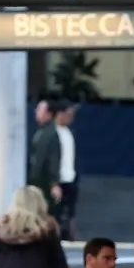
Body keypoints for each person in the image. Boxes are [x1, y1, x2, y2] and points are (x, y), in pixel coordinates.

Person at [28, 96, 64, 211]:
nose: (36, 111)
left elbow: (54, 158)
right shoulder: (40, 131)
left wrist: (54, 183)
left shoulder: (51, 134)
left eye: (40, 109)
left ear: (48, 113)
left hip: (43, 182)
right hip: (35, 181)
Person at [53, 101, 80, 239]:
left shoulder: (69, 132)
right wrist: (54, 182)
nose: (71, 118)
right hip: (59, 180)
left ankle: (68, 233)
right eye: (69, 115)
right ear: (60, 114)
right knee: (58, 214)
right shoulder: (53, 133)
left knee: (69, 213)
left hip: (70, 178)